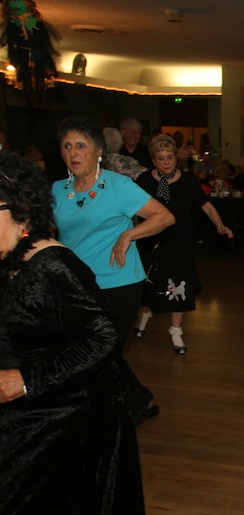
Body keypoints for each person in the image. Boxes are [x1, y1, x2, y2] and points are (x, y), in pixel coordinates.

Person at [0, 152, 173, 515]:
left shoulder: (53, 268)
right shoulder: (7, 260)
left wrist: (26, 380)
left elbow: (101, 341)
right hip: (28, 415)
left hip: (66, 417)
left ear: (20, 213)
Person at [52, 116, 175, 423]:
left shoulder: (119, 186)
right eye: (67, 146)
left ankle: (108, 412)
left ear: (98, 152)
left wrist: (129, 233)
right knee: (93, 353)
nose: (73, 152)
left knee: (102, 352)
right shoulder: (56, 190)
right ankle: (137, 400)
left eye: (81, 145)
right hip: (76, 285)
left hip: (118, 282)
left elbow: (164, 217)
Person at [133, 134, 233, 353]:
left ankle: (176, 331)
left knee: (178, 284)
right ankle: (144, 315)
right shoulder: (143, 180)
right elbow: (131, 208)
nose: (167, 162)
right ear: (153, 160)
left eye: (170, 157)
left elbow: (206, 205)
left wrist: (219, 224)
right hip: (151, 240)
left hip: (180, 241)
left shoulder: (187, 180)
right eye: (161, 158)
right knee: (150, 282)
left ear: (176, 157)